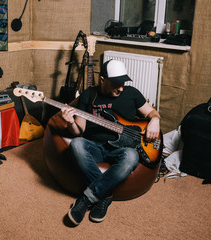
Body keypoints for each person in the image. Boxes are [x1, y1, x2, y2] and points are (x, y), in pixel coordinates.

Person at [61, 59, 161, 225]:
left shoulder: (132, 93)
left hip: (122, 149)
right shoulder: (88, 95)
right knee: (76, 144)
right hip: (95, 147)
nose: (120, 88)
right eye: (115, 84)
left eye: (123, 83)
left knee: (131, 157)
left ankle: (86, 199)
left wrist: (155, 120)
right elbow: (79, 131)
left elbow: (152, 113)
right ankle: (104, 195)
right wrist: (70, 122)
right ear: (103, 80)